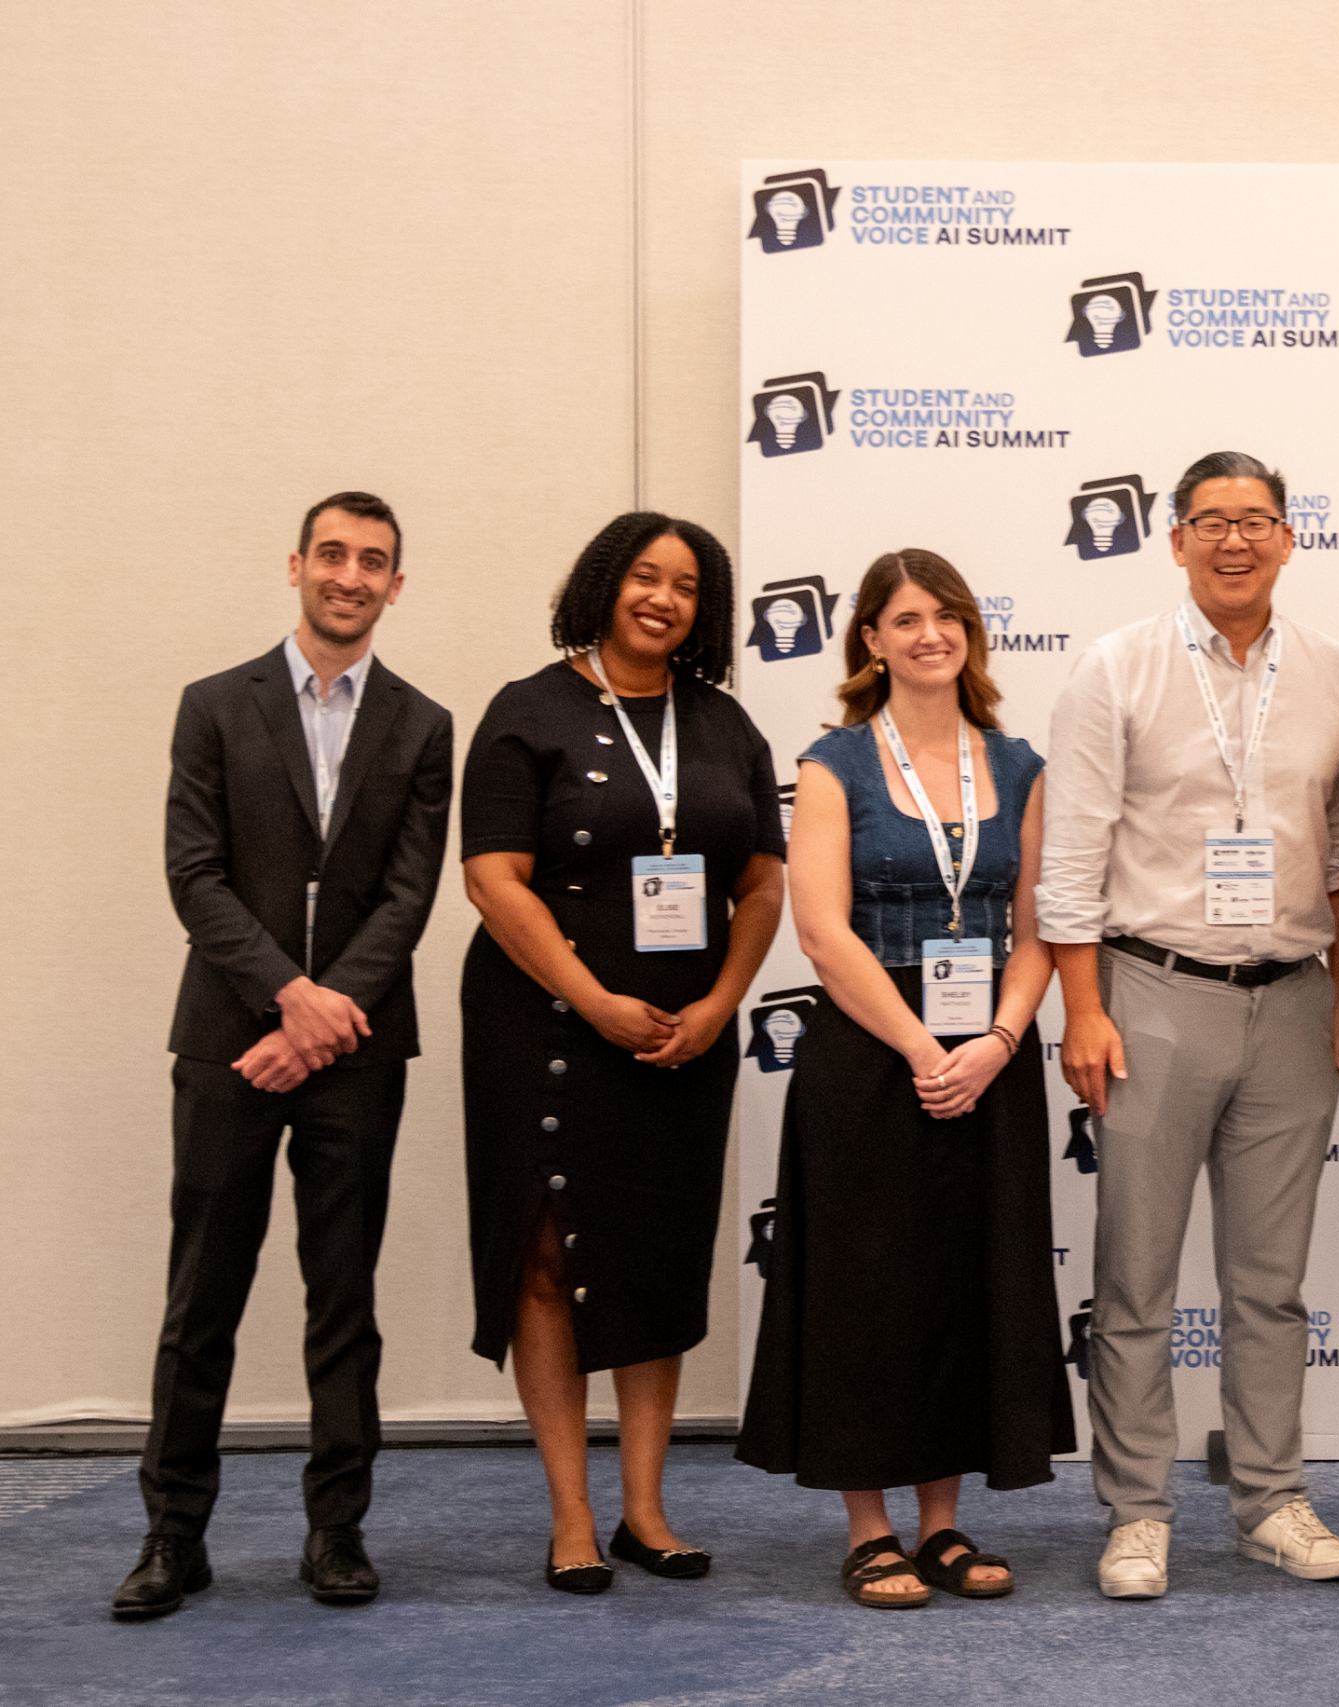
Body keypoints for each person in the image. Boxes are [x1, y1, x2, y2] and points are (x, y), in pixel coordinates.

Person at [1038, 450, 1339, 1599]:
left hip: (1288, 1001)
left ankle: (1271, 1498)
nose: (1235, 541)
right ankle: (1136, 1512)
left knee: (1268, 1282)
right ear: (1174, 539)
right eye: (1211, 521)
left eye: (1258, 521)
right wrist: (1081, 1007)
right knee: (1135, 1278)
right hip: (1149, 997)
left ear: (1290, 539)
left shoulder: (1337, 675)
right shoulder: (1115, 668)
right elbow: (1072, 854)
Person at [119, 492, 453, 1621]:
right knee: (200, 1293)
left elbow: (408, 896)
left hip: (357, 1055)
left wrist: (325, 1015)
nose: (350, 575)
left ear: (395, 585)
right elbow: (194, 875)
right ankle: (172, 1536)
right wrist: (286, 1001)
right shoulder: (215, 706)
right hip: (227, 1043)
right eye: (333, 555)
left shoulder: (421, 724)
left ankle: (337, 1533)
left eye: (375, 561)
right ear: (297, 565)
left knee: (342, 1297)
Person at [737, 549, 1073, 1606]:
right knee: (867, 1289)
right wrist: (925, 1050)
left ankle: (943, 1526)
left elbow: (1038, 929)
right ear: (871, 641)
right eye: (906, 619)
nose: (930, 634)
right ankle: (870, 1527)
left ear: (971, 634)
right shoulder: (833, 763)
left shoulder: (1018, 766)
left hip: (990, 1056)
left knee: (967, 1285)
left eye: (948, 616)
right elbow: (822, 932)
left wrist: (1000, 1042)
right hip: (872, 1056)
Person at [458, 513, 785, 1594]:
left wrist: (724, 1001)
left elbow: (763, 884)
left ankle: (646, 1509)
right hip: (547, 1027)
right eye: (645, 576)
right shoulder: (529, 710)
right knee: (548, 1256)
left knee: (656, 1253)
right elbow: (493, 879)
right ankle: (571, 1516)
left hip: (682, 1040)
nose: (663, 597)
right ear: (604, 583)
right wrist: (592, 997)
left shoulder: (724, 722)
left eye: (687, 586)